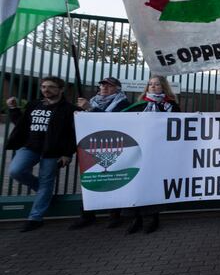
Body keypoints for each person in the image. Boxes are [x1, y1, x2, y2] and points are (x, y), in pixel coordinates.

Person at [6, 76, 80, 232]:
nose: (46, 90)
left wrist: (67, 154)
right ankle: (44, 193)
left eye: (51, 87)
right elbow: (22, 124)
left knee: (46, 182)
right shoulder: (35, 104)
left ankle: (35, 218)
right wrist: (13, 109)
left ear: (61, 89)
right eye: (44, 87)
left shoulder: (69, 109)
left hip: (53, 151)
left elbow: (72, 135)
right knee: (16, 171)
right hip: (30, 147)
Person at [69, 76, 131, 230]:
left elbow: (112, 121)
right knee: (90, 180)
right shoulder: (92, 101)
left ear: (117, 88)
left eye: (109, 86)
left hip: (113, 146)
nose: (104, 88)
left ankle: (115, 215)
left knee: (113, 180)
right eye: (102, 85)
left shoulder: (123, 103)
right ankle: (87, 215)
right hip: (91, 146)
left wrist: (90, 109)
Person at [121, 76, 181, 234]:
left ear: (164, 87)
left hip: (159, 151)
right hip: (138, 150)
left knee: (153, 184)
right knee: (136, 182)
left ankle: (154, 218)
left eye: (157, 85)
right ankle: (136, 218)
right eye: (151, 84)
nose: (153, 87)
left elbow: (179, 125)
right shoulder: (139, 105)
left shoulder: (171, 105)